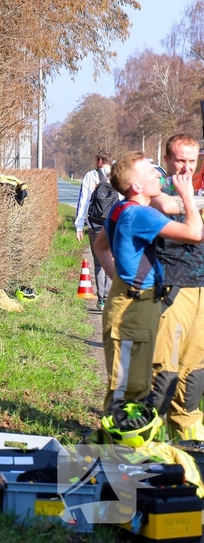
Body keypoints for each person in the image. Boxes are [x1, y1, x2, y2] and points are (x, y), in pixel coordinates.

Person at [92, 151, 203, 419]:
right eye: (150, 172)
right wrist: (188, 197)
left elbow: (100, 246)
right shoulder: (141, 215)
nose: (157, 174)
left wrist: (120, 277)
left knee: (132, 383)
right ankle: (118, 451)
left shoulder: (121, 209)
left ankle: (125, 448)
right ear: (137, 186)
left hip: (129, 301)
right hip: (134, 309)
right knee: (129, 389)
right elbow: (195, 234)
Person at [148, 134, 204, 440]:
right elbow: (168, 206)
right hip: (172, 289)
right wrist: (187, 195)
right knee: (164, 371)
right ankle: (142, 441)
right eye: (180, 160)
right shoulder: (157, 188)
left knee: (195, 371)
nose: (185, 167)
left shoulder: (198, 189)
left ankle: (189, 444)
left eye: (191, 161)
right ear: (168, 159)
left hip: (202, 290)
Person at [76, 151, 114, 310]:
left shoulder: (90, 176)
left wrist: (79, 226)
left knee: (99, 263)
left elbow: (83, 201)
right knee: (112, 261)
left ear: (99, 161)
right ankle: (109, 296)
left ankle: (101, 300)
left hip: (94, 225)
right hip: (113, 225)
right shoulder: (117, 174)